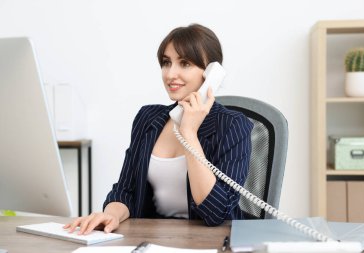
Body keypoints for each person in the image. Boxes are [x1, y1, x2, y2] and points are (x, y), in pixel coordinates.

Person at [65, 23, 253, 235]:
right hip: (151, 240)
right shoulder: (148, 119)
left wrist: (189, 133)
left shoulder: (233, 126)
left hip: (210, 243)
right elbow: (126, 190)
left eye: (185, 63)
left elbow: (216, 213)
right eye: (166, 63)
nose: (171, 74)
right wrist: (113, 214)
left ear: (211, 73)